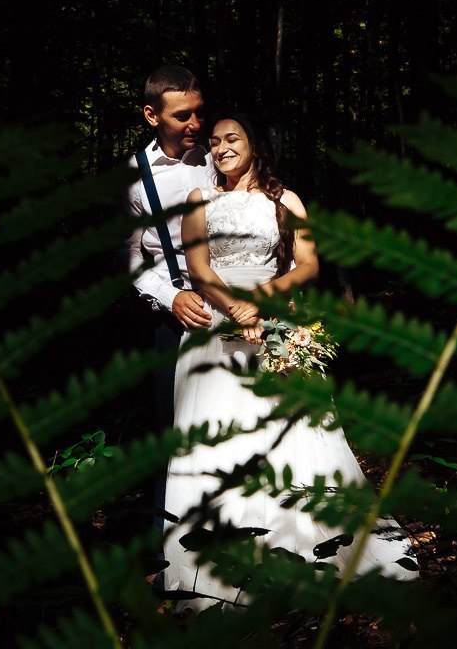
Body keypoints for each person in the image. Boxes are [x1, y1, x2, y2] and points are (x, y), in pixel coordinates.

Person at [162, 113, 419, 610]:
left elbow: (308, 263)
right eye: (214, 143)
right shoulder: (201, 200)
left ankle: (297, 547)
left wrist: (262, 300)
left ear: (254, 144)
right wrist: (233, 306)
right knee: (220, 433)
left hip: (276, 321)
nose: (220, 149)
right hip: (215, 326)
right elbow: (198, 266)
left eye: (231, 139)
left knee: (287, 431)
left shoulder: (286, 200)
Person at [124, 65, 219, 526]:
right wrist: (170, 298)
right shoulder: (133, 177)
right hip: (173, 315)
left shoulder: (217, 158)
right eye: (183, 116)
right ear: (151, 115)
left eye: (199, 113)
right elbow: (129, 259)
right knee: (175, 425)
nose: (196, 125)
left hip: (231, 307)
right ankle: (174, 539)